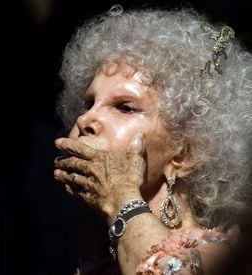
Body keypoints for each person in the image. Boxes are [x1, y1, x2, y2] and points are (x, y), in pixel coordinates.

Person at [53, 5, 252, 274]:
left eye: (125, 107)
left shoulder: (227, 258)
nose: (85, 119)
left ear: (186, 153)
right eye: (89, 103)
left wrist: (121, 196)